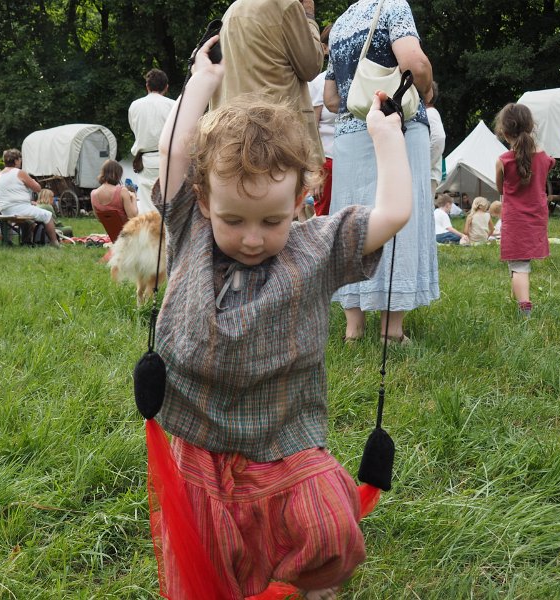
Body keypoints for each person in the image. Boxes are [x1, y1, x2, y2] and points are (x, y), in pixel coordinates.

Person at [152, 36, 411, 600]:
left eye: (270, 220)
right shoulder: (190, 229)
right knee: (215, 556)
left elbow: (392, 213)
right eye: (233, 219)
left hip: (285, 438)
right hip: (200, 438)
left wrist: (386, 137)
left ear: (300, 199)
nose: (251, 238)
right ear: (202, 200)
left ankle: (310, 588)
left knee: (327, 530)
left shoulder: (316, 247)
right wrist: (202, 81)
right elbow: (175, 153)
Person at [324, 0, 438, 343]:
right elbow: (415, 63)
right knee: (400, 217)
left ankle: (353, 328)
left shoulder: (341, 23)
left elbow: (331, 97)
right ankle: (391, 331)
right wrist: (427, 88)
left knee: (351, 222)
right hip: (394, 125)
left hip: (348, 134)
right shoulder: (393, 6)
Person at [210, 0, 325, 173]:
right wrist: (309, 17)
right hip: (281, 136)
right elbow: (311, 65)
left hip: (236, 137)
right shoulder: (285, 5)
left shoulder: (231, 11)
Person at [495, 103, 554, 316]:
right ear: (531, 126)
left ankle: (524, 305)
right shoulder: (544, 157)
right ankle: (518, 296)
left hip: (515, 220)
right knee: (521, 260)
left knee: (519, 264)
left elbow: (500, 187)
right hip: (537, 217)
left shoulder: (503, 161)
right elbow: (547, 165)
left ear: (503, 131)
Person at [128, 68, 175, 213]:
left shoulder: (134, 106)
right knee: (170, 205)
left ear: (147, 86)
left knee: (149, 207)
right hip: (169, 160)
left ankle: (151, 235)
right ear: (166, 87)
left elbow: (134, 129)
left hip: (146, 161)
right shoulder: (173, 105)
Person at [0, 148, 61, 248]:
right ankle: (54, 242)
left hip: (4, 209)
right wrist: (33, 181)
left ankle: (27, 241)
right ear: (16, 160)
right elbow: (38, 189)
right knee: (47, 215)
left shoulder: (0, 174)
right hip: (19, 208)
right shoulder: (19, 172)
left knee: (29, 220)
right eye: (20, 160)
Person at [308, 24, 336, 215]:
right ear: (325, 48)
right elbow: (311, 128)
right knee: (325, 217)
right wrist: (315, 171)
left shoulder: (359, 79)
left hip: (354, 159)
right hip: (328, 161)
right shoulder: (318, 83)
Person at [90, 159, 138, 227]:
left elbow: (99, 219)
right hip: (127, 234)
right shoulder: (122, 191)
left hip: (111, 233)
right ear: (117, 174)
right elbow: (133, 218)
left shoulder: (93, 194)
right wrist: (133, 198)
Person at [426, 81, 446, 198]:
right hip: (428, 174)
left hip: (428, 174)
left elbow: (439, 139)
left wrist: (425, 164)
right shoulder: (430, 113)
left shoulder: (430, 113)